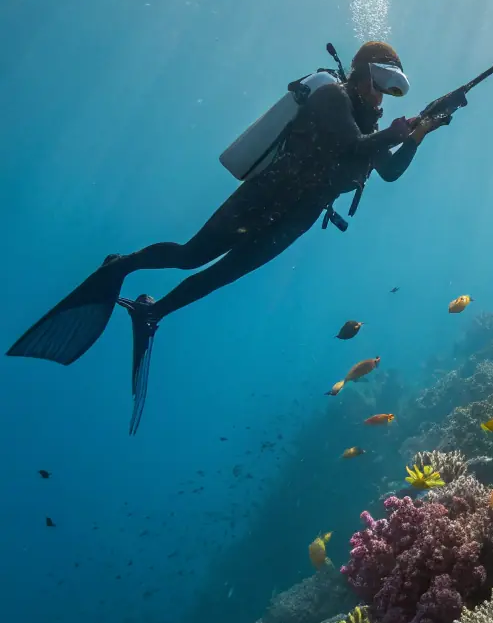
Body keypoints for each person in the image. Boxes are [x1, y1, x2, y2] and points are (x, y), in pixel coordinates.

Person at [8, 41, 445, 431]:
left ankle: (152, 312)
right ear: (362, 72)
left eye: (391, 91)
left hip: (296, 218)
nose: (381, 97)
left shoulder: (368, 121)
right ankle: (120, 266)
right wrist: (393, 133)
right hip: (263, 196)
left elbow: (387, 171)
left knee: (224, 275)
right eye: (382, 84)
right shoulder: (331, 95)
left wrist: (417, 137)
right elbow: (353, 147)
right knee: (191, 255)